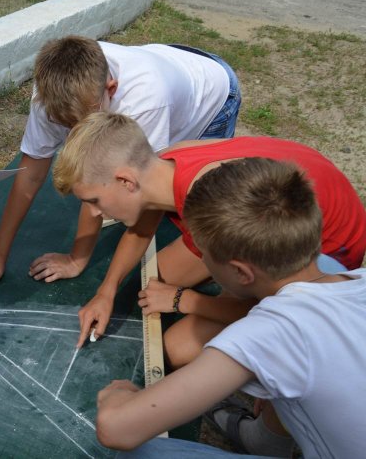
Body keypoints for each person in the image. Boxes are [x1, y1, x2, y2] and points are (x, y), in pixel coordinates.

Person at [93, 157, 366, 458]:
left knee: (139, 455)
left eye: (203, 254)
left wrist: (119, 396)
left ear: (241, 272)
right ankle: (264, 438)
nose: (202, 260)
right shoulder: (354, 279)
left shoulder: (269, 334)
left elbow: (116, 428)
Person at [50, 112, 365, 359]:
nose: (92, 213)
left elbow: (270, 302)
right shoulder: (163, 163)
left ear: (126, 181)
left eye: (94, 200)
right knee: (156, 277)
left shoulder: (219, 206)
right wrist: (106, 292)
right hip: (301, 203)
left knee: (178, 348)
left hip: (328, 252)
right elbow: (142, 228)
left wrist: (183, 300)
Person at [0, 36, 241, 289]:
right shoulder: (51, 97)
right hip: (169, 61)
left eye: (83, 122)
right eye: (65, 124)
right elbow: (30, 176)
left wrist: (77, 259)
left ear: (111, 89)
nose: (73, 130)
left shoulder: (146, 101)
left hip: (212, 92)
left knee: (191, 206)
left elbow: (134, 191)